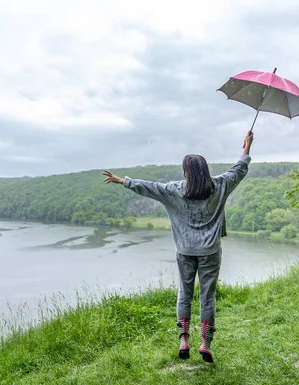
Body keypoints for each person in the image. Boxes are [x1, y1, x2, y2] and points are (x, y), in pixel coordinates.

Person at [103, 131, 254, 363]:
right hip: (210, 252)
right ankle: (206, 343)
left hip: (185, 252)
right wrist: (247, 147)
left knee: (185, 294)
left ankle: (184, 339)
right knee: (208, 297)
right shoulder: (220, 186)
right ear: (206, 171)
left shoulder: (174, 190)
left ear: (186, 172)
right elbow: (239, 169)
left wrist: (123, 181)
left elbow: (149, 187)